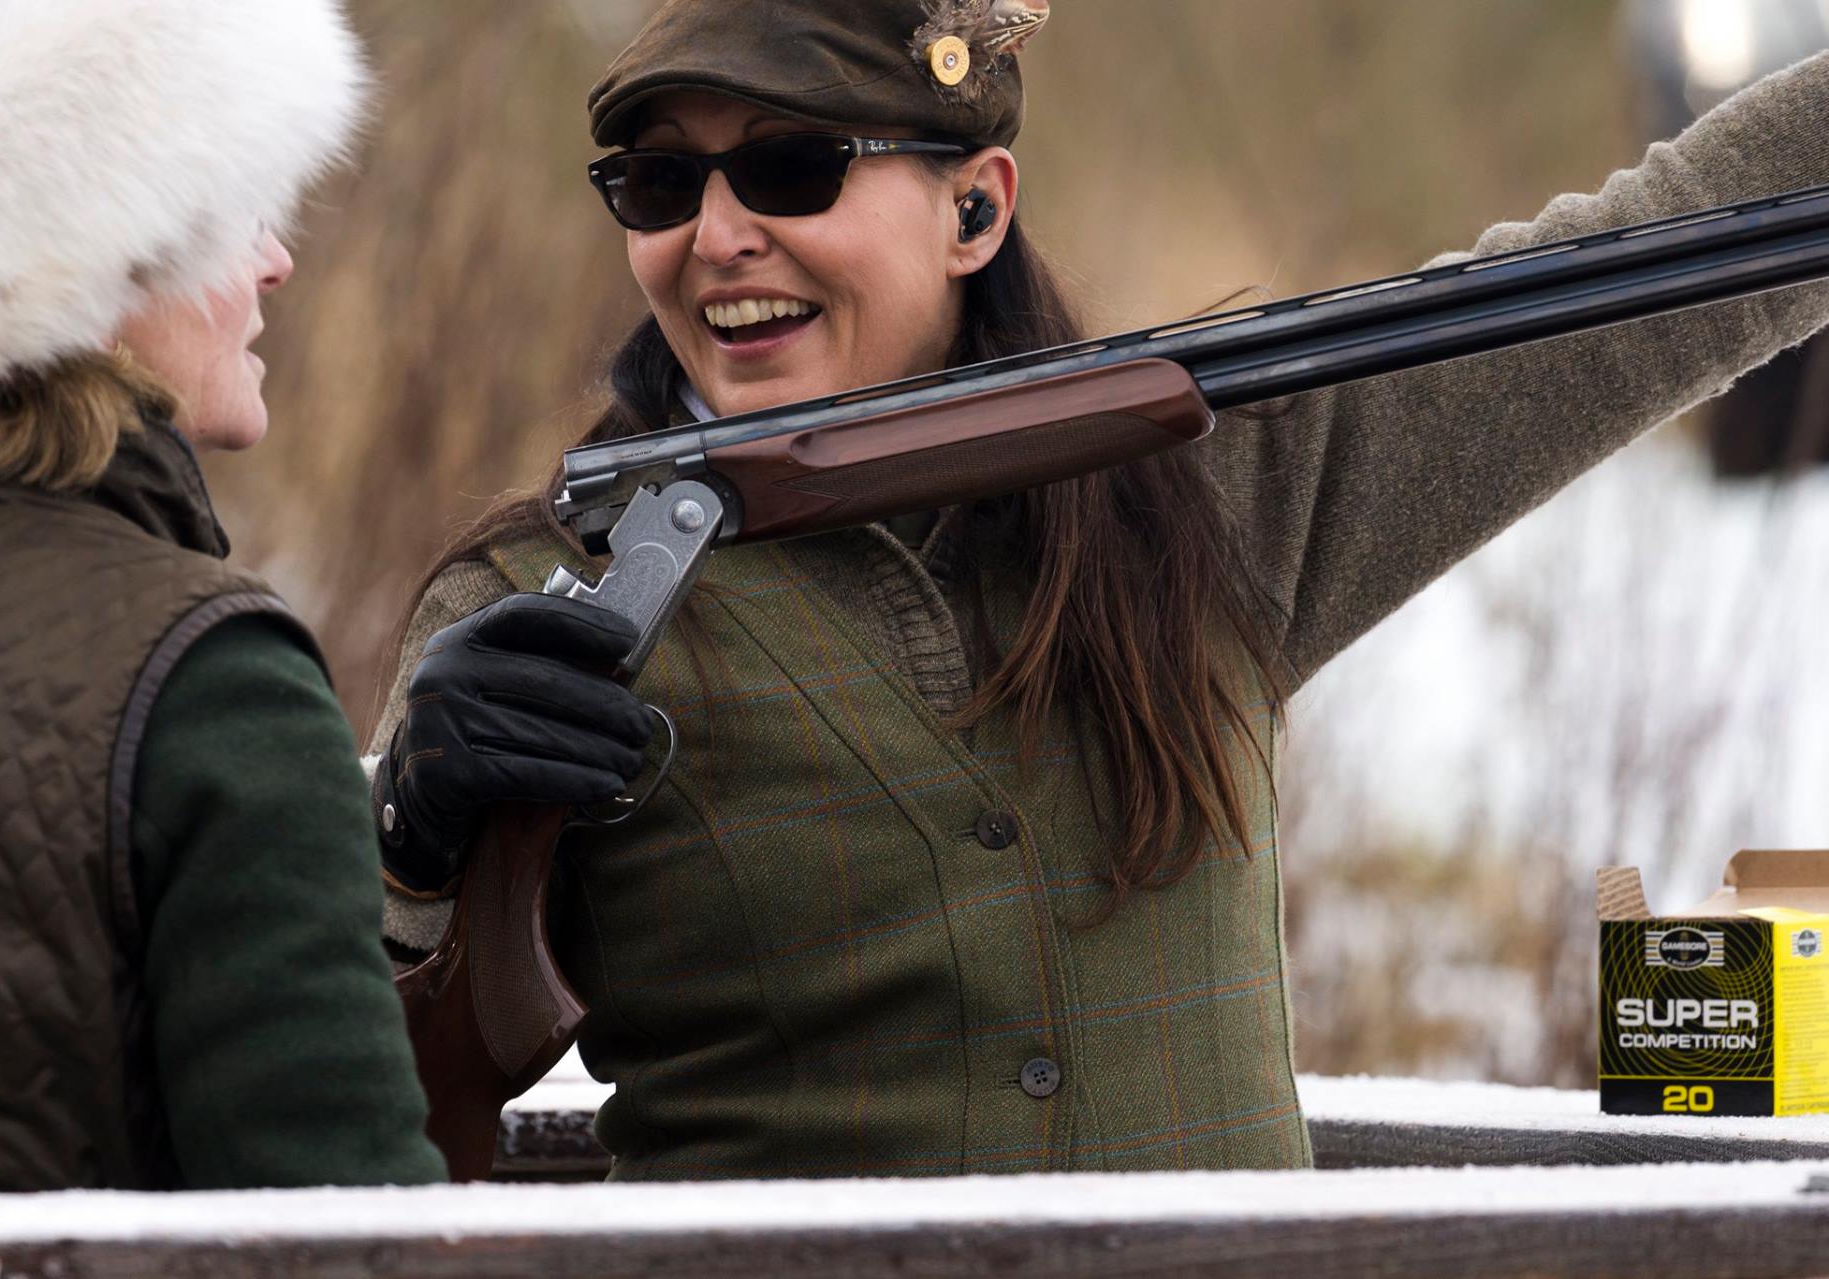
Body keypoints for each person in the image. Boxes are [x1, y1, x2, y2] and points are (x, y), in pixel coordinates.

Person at [372, 0, 1829, 1180]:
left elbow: (1664, 258)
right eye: (658, 180)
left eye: (794, 165)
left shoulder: (1206, 502)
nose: (717, 230)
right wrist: (403, 837)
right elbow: (354, 1106)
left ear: (975, 209)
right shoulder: (547, 605)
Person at [0, 0, 445, 1193]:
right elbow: (345, 1237)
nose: (277, 260)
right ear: (104, 254)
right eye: (241, 207)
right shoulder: (213, 684)